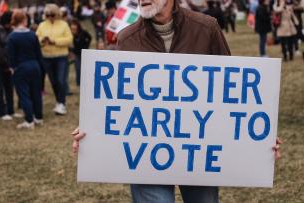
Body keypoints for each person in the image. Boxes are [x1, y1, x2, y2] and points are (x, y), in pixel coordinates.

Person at [72, 0, 282, 202]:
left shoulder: (206, 28)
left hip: (199, 154)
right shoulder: (127, 38)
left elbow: (231, 95)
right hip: (144, 155)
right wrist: (92, 130)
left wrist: (258, 141)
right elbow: (117, 99)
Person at [6, 10, 43, 129]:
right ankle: (38, 117)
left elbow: (10, 55)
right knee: (36, 93)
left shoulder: (12, 37)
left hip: (21, 67)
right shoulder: (33, 34)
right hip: (35, 65)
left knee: (24, 94)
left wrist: (12, 67)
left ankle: (29, 120)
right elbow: (38, 53)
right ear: (24, 20)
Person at [36, 4, 73, 115]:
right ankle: (59, 101)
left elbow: (69, 39)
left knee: (61, 80)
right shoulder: (42, 25)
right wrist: (42, 40)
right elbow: (36, 38)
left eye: (52, 15)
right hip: (46, 57)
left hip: (61, 56)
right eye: (47, 15)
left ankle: (62, 103)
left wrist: (54, 41)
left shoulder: (64, 25)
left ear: (57, 14)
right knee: (53, 82)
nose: (50, 17)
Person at [70, 19, 92, 86]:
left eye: (75, 25)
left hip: (84, 52)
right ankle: (78, 82)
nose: (73, 27)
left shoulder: (83, 32)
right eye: (72, 25)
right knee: (78, 68)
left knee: (85, 68)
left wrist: (86, 45)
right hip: (77, 53)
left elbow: (89, 37)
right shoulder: (71, 34)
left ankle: (85, 81)